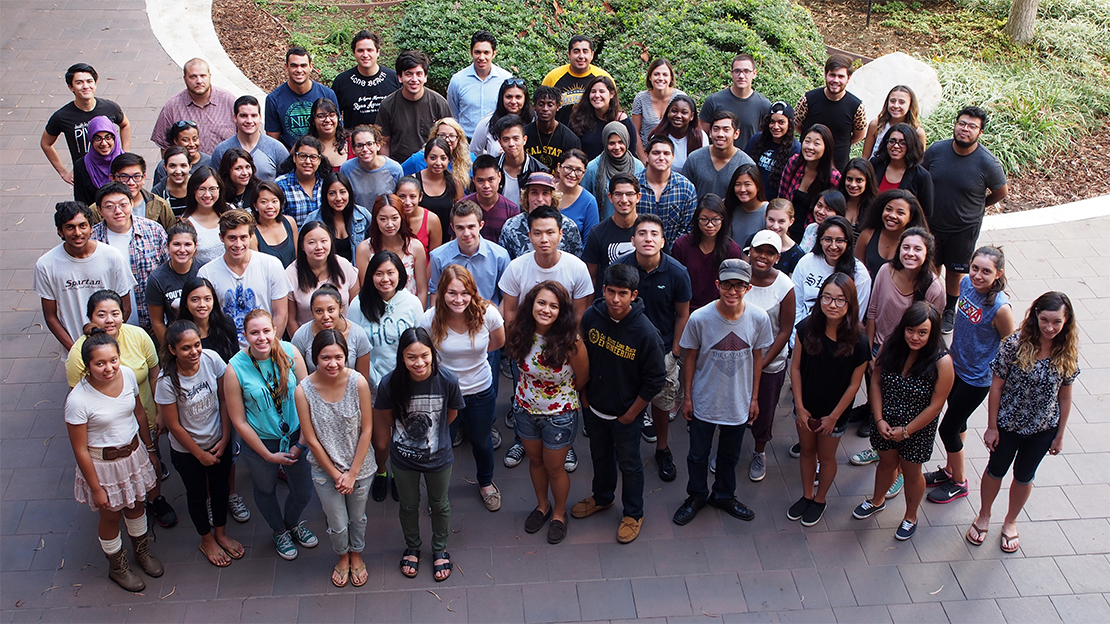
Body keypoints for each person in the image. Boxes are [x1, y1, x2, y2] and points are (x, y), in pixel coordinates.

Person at [967, 292, 1079, 553]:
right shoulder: (1014, 344)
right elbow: (996, 387)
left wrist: (1060, 434)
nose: (1050, 327)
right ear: (1035, 316)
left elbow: (1065, 394)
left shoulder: (1067, 350)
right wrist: (992, 426)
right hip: (1008, 424)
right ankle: (984, 515)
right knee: (996, 470)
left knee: (1025, 476)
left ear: (1066, 321)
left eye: (1056, 322)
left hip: (1043, 428)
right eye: (1044, 320)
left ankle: (1011, 521)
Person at [65, 290, 177, 528]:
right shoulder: (78, 354)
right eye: (101, 314)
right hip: (106, 434)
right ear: (90, 317)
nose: (109, 320)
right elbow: (79, 397)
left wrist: (159, 412)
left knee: (151, 460)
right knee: (116, 504)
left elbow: (155, 373)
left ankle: (155, 499)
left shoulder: (138, 336)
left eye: (115, 313)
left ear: (124, 314)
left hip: (143, 418)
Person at [673, 258, 771, 526]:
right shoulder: (700, 318)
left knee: (730, 454)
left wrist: (754, 398)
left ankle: (724, 495)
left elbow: (758, 357)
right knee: (697, 454)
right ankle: (696, 495)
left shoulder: (758, 318)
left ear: (748, 288)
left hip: (739, 400)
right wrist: (688, 397)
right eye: (727, 285)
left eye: (739, 286)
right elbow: (689, 358)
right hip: (705, 398)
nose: (732, 291)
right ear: (718, 285)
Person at [573, 264, 666, 543]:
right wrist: (585, 398)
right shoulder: (591, 316)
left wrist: (631, 414)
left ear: (634, 295)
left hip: (626, 414)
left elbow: (655, 380)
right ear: (603, 290)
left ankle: (634, 513)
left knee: (630, 463)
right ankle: (603, 497)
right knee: (599, 456)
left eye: (622, 293)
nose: (615, 299)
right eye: (611, 292)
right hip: (594, 408)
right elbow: (582, 359)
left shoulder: (646, 333)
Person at [64, 329, 161, 592]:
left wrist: (150, 449)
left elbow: (139, 413)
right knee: (111, 516)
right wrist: (95, 487)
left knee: (136, 505)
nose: (109, 368)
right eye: (100, 363)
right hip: (103, 466)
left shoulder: (128, 375)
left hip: (133, 454)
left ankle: (142, 552)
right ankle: (117, 567)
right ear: (87, 365)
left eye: (113, 360)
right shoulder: (78, 400)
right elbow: (80, 449)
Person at [499, 206, 594, 466]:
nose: (544, 239)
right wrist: (520, 342)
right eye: (537, 233)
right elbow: (509, 310)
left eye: (550, 232)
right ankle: (522, 441)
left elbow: (580, 313)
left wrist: (561, 343)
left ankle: (564, 444)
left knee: (565, 399)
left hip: (562, 348)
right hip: (526, 346)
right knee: (524, 396)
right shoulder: (517, 267)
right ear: (529, 235)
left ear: (561, 234)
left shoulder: (576, 267)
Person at [854, 302, 953, 542]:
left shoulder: (942, 362)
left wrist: (907, 432)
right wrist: (878, 419)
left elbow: (936, 406)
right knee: (886, 463)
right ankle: (876, 501)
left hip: (917, 428)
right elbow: (875, 382)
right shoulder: (891, 345)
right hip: (886, 421)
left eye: (922, 332)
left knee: (911, 472)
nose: (915, 337)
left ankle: (910, 516)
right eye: (911, 330)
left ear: (933, 333)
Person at [225, 309, 316, 559]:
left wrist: (302, 442)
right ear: (244, 336)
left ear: (275, 331)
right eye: (254, 333)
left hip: (297, 435)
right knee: (265, 489)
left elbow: (308, 397)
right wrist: (267, 455)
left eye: (266, 331)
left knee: (304, 490)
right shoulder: (234, 369)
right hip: (260, 442)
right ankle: (279, 531)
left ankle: (292, 523)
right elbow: (239, 421)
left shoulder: (290, 352)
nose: (261, 337)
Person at [373, 328, 464, 581]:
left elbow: (451, 414)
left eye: (425, 355)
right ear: (402, 357)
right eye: (411, 357)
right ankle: (412, 545)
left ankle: (439, 548)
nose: (419, 362)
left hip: (439, 458)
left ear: (432, 354)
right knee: (408, 504)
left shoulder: (447, 380)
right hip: (403, 459)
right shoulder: (389, 383)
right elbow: (386, 417)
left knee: (439, 503)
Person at [925, 247, 1013, 504]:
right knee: (957, 421)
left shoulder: (1000, 308)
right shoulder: (964, 285)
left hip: (977, 379)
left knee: (948, 428)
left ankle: (959, 482)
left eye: (986, 271)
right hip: (955, 366)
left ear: (998, 274)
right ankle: (950, 469)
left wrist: (1001, 381)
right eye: (975, 268)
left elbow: (1009, 347)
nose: (978, 275)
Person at [505, 282, 589, 544]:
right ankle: (542, 506)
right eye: (541, 303)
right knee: (536, 461)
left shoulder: (571, 341)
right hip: (524, 409)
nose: (546, 310)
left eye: (553, 306)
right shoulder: (519, 332)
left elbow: (582, 377)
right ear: (531, 304)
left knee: (555, 468)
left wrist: (556, 399)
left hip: (559, 415)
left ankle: (559, 514)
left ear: (561, 311)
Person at [156, 321, 244, 568]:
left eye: (196, 345)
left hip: (218, 441)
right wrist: (199, 454)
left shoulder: (212, 359)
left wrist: (226, 437)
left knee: (220, 489)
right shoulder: (166, 382)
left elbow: (225, 399)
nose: (194, 352)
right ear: (173, 350)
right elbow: (173, 425)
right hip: (187, 451)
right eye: (186, 348)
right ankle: (206, 539)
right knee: (196, 496)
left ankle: (220, 533)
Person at [294, 329, 376, 587]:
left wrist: (351, 474)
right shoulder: (303, 390)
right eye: (325, 357)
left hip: (360, 467)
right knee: (337, 522)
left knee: (358, 518)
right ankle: (343, 556)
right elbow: (311, 438)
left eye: (338, 357)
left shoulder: (358, 382)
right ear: (315, 358)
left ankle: (357, 554)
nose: (333, 363)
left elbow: (367, 429)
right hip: (324, 469)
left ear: (347, 356)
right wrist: (336, 474)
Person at [787, 273, 870, 526]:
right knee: (807, 452)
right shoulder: (806, 328)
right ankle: (806, 495)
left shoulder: (859, 341)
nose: (832, 305)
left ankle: (820, 499)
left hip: (835, 413)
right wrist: (800, 407)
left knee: (827, 457)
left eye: (840, 300)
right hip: (806, 406)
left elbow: (855, 384)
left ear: (850, 304)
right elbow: (796, 369)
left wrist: (834, 416)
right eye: (827, 298)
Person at [422, 266, 506, 511]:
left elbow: (498, 342)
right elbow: (422, 352)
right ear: (442, 293)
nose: (458, 299)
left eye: (464, 293)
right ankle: (438, 493)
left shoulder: (487, 314)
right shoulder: (429, 319)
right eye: (451, 293)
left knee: (481, 441)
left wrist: (473, 358)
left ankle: (486, 483)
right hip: (444, 394)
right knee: (441, 444)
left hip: (480, 390)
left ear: (472, 292)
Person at [616, 214, 691, 481]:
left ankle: (662, 448)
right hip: (627, 350)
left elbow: (683, 314)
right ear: (633, 239)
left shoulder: (677, 273)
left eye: (654, 234)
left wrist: (675, 351)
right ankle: (626, 447)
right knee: (627, 400)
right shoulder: (621, 268)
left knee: (661, 401)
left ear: (662, 241)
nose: (648, 238)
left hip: (663, 351)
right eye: (642, 233)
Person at [922, 106, 1009, 334]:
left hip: (963, 229)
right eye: (962, 123)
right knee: (930, 268)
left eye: (972, 126)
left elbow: (1001, 191)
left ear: (980, 132)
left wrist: (979, 207)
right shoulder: (937, 150)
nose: (965, 129)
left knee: (955, 271)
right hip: (931, 224)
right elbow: (920, 176)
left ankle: (950, 309)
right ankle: (928, 305)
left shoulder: (987, 163)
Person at [350, 251, 425, 502]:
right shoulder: (358, 304)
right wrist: (371, 377)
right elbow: (354, 345)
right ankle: (381, 471)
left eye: (390, 273)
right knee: (381, 443)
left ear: (400, 274)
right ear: (370, 275)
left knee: (405, 438)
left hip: (406, 383)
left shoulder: (412, 303)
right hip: (372, 384)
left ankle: (399, 475)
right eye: (379, 273)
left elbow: (419, 345)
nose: (385, 279)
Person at [35, 202, 135, 351]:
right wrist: (75, 350)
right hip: (75, 347)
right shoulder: (46, 265)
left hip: (112, 347)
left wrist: (106, 341)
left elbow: (125, 307)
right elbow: (50, 316)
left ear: (91, 227)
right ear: (60, 231)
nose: (78, 232)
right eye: (70, 227)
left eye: (82, 225)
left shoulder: (112, 257)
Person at [743, 231, 796, 481]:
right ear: (750, 251)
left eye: (770, 253)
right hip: (737, 358)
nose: (762, 257)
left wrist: (762, 362)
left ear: (777, 257)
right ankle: (727, 448)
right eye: (758, 250)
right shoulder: (739, 275)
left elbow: (785, 330)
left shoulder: (785, 285)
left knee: (764, 410)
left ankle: (759, 451)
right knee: (732, 406)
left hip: (769, 362)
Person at [198, 209, 292, 344]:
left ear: (252, 236)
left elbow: (280, 315)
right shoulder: (207, 273)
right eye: (232, 238)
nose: (238, 244)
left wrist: (270, 347)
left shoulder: (272, 265)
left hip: (267, 346)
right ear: (221, 237)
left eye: (243, 237)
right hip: (227, 350)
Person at [90, 182, 168, 330]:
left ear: (132, 204)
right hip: (109, 325)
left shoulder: (153, 231)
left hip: (153, 322)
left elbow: (168, 271)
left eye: (123, 204)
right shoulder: (92, 239)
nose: (118, 211)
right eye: (109, 206)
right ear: (99, 210)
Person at [43, 63, 129, 188]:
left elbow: (125, 124)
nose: (85, 86)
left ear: (95, 84)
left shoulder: (110, 108)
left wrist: (125, 152)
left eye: (89, 81)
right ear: (70, 87)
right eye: (79, 83)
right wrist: (63, 172)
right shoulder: (62, 116)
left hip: (114, 171)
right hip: (85, 175)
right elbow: (46, 143)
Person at [428, 200, 511, 306]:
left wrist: (496, 320)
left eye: (471, 227)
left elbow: (507, 296)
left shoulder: (500, 256)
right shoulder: (438, 257)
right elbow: (436, 292)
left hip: (487, 316)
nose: (466, 233)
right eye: (460, 228)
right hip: (452, 316)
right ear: (453, 227)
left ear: (481, 225)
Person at [793, 216, 871, 325]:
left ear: (848, 242)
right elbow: (796, 305)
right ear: (820, 240)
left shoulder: (860, 274)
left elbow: (855, 318)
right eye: (828, 239)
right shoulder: (806, 262)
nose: (833, 246)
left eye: (839, 240)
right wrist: (797, 336)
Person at [377, 51, 452, 163]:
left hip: (432, 167)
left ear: (425, 77)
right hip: (400, 167)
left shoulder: (439, 103)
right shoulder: (388, 105)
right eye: (408, 74)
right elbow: (384, 142)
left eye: (419, 74)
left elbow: (449, 139)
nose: (414, 79)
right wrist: (389, 170)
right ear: (399, 77)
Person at [794, 55, 866, 170]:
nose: (836, 80)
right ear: (825, 74)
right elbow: (797, 125)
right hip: (807, 165)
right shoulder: (807, 99)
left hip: (838, 168)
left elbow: (859, 135)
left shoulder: (856, 106)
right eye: (832, 75)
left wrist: (839, 145)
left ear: (849, 78)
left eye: (841, 76)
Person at [671, 194, 743, 310]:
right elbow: (675, 283)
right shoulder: (681, 245)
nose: (710, 225)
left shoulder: (732, 250)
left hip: (718, 309)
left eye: (715, 220)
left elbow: (733, 286)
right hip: (685, 309)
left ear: (723, 220)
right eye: (704, 219)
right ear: (697, 219)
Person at [287, 221, 360, 335]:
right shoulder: (291, 274)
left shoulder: (344, 266)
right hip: (309, 341)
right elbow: (291, 320)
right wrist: (301, 347)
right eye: (312, 242)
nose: (319, 247)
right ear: (302, 245)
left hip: (344, 337)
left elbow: (356, 307)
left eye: (324, 241)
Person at [152, 58, 237, 154]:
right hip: (190, 168)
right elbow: (165, 146)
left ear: (209, 76)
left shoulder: (230, 102)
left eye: (203, 76)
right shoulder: (171, 108)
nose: (199, 81)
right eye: (193, 77)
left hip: (225, 167)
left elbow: (247, 136)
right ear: (185, 79)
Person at [356, 194, 428, 305]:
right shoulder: (364, 249)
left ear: (402, 217)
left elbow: (422, 290)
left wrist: (418, 317)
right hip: (376, 311)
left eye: (394, 218)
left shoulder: (415, 247)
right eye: (383, 219)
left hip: (409, 311)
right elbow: (365, 289)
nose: (389, 224)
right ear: (375, 220)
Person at [290, 284, 371, 380]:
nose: (326, 316)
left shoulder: (358, 335)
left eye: (331, 310)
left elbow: (363, 378)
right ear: (312, 312)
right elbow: (298, 379)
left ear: (340, 308)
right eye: (319, 311)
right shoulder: (301, 336)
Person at [265, 47, 339, 149]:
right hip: (291, 157)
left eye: (303, 65)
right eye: (294, 66)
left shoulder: (327, 94)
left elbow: (338, 130)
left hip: (324, 154)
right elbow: (273, 142)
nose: (299, 70)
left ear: (311, 66)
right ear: (286, 67)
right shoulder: (274, 99)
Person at [498, 172, 583, 260]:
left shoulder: (569, 227)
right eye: (534, 193)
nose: (539, 199)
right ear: (527, 196)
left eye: (545, 193)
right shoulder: (511, 227)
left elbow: (576, 262)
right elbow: (504, 263)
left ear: (552, 197)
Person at [778, 124, 841, 241]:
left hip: (812, 236)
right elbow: (782, 198)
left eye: (816, 144)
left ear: (826, 147)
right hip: (786, 230)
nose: (810, 147)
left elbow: (834, 213)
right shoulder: (794, 163)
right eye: (807, 141)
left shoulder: (833, 177)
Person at [448, 31, 514, 139]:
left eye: (486, 52)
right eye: (477, 52)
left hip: (496, 141)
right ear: (471, 52)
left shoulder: (505, 79)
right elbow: (453, 114)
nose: (481, 57)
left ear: (494, 53)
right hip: (466, 142)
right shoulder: (458, 80)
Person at [210, 96, 291, 182]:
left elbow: (287, 183)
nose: (249, 120)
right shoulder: (222, 150)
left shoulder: (277, 149)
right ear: (235, 118)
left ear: (260, 117)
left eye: (253, 115)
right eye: (243, 116)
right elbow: (215, 184)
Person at [582, 173, 639, 295]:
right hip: (608, 303)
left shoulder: (650, 230)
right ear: (610, 197)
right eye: (618, 194)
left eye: (629, 194)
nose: (624, 200)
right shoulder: (597, 233)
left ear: (638, 197)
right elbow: (590, 278)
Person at [88, 153, 177, 231]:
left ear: (144, 177)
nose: (131, 182)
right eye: (124, 177)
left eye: (136, 176)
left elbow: (172, 236)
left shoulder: (160, 205)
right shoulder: (96, 210)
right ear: (112, 178)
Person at [854, 189, 929, 279]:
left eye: (900, 213)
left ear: (910, 217)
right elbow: (857, 269)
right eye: (889, 209)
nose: (892, 216)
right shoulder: (867, 234)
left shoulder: (917, 242)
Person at [331, 30, 400, 128]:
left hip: (388, 140)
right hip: (355, 140)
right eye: (360, 50)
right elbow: (332, 114)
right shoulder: (342, 81)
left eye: (369, 50)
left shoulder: (393, 78)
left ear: (378, 52)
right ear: (354, 53)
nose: (365, 55)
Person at [700, 54, 771, 149]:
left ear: (754, 74)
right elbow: (701, 137)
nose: (741, 76)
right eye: (737, 71)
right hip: (716, 160)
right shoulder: (713, 101)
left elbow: (768, 139)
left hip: (749, 161)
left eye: (746, 71)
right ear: (731, 73)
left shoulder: (764, 105)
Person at [636, 136, 697, 248]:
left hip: (675, 255)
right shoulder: (633, 186)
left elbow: (688, 228)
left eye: (666, 153)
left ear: (673, 157)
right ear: (647, 156)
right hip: (638, 252)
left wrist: (670, 253)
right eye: (656, 153)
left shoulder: (686, 188)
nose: (661, 157)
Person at [681, 111, 756, 200]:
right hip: (699, 213)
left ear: (736, 134)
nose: (720, 134)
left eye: (726, 130)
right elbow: (683, 192)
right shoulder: (694, 158)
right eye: (716, 129)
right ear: (710, 132)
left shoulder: (746, 164)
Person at [148, 222, 201, 343]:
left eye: (187, 244)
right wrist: (170, 349)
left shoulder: (205, 269)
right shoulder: (157, 278)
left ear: (195, 246)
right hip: (177, 340)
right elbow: (157, 322)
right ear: (167, 246)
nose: (182, 250)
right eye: (176, 244)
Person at [583, 122, 646, 221]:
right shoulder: (593, 167)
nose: (617, 147)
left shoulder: (638, 166)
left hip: (632, 226)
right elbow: (584, 200)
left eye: (621, 142)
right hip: (602, 227)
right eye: (612, 143)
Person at [305, 172, 373, 263]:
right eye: (332, 193)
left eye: (342, 192)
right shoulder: (313, 219)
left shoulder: (362, 215)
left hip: (357, 273)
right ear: (325, 195)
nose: (338, 198)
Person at [870, 122, 934, 217]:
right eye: (892, 141)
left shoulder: (922, 176)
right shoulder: (875, 164)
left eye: (903, 143)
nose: (896, 146)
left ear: (911, 145)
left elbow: (926, 214)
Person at [569, 76, 638, 162]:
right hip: (586, 172)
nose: (597, 95)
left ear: (611, 94)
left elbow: (631, 153)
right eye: (593, 91)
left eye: (602, 91)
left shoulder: (622, 120)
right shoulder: (578, 119)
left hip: (616, 173)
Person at [743, 100, 800, 200]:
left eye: (781, 122)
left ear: (789, 124)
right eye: (772, 122)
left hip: (774, 204)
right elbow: (743, 166)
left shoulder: (795, 149)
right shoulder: (757, 140)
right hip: (751, 198)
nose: (775, 127)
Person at [631, 58, 686, 159]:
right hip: (649, 154)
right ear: (650, 77)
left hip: (675, 156)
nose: (661, 78)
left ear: (670, 78)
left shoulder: (680, 98)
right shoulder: (641, 99)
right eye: (656, 74)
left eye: (665, 75)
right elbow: (634, 132)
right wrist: (644, 159)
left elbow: (688, 129)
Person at [542, 35, 614, 111]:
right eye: (576, 52)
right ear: (569, 54)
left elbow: (613, 108)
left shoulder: (603, 78)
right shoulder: (553, 77)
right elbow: (541, 108)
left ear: (592, 55)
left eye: (585, 51)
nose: (581, 56)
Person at [177, 277, 240, 364]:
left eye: (207, 299)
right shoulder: (178, 330)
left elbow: (236, 360)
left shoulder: (226, 324)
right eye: (195, 300)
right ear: (185, 303)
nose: (202, 304)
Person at [861, 85, 928, 161]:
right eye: (892, 101)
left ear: (910, 105)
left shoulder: (918, 132)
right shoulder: (876, 125)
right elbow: (865, 157)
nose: (896, 106)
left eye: (902, 102)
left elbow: (919, 161)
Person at [400, 118, 473, 186]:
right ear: (434, 136)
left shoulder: (469, 159)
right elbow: (398, 174)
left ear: (458, 139)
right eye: (442, 135)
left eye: (452, 136)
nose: (447, 139)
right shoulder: (418, 158)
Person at [275, 135, 330, 227]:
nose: (308, 161)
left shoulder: (326, 183)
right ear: (294, 158)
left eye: (313, 157)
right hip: (294, 239)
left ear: (319, 160)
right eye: (303, 156)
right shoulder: (281, 185)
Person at [494, 114, 550, 204]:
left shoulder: (539, 170)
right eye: (506, 139)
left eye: (516, 138)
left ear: (524, 140)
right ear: (500, 142)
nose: (511, 143)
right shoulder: (492, 167)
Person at [470, 78, 533, 157]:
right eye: (509, 97)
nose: (513, 101)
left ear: (525, 99)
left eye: (518, 97)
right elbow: (473, 153)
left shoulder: (534, 121)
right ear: (502, 97)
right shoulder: (488, 122)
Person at [466, 154, 520, 243]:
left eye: (491, 179)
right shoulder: (464, 206)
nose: (486, 186)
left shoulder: (511, 210)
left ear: (499, 177)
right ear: (474, 180)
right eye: (480, 180)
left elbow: (515, 244)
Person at [525, 86, 582, 170]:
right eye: (541, 104)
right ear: (534, 107)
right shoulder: (524, 134)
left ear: (558, 107)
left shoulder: (570, 140)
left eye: (550, 105)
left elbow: (574, 169)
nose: (545, 109)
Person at [408, 146, 453, 247]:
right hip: (420, 239)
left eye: (443, 158)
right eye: (433, 158)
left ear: (448, 160)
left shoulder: (454, 182)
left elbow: (460, 211)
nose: (438, 162)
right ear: (425, 159)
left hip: (447, 241)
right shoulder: (414, 181)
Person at [73, 116, 122, 206]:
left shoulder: (125, 162)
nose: (103, 143)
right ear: (91, 140)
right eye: (98, 138)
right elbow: (81, 202)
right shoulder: (81, 165)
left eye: (108, 137)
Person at [649, 95, 706, 172]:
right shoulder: (658, 135)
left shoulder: (701, 137)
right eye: (674, 111)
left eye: (684, 112)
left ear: (691, 116)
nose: (678, 116)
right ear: (668, 112)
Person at [249, 181, 298, 268]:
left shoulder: (290, 222)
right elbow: (256, 268)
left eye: (274, 201)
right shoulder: (252, 233)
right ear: (255, 205)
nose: (270, 206)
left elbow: (299, 257)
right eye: (264, 202)